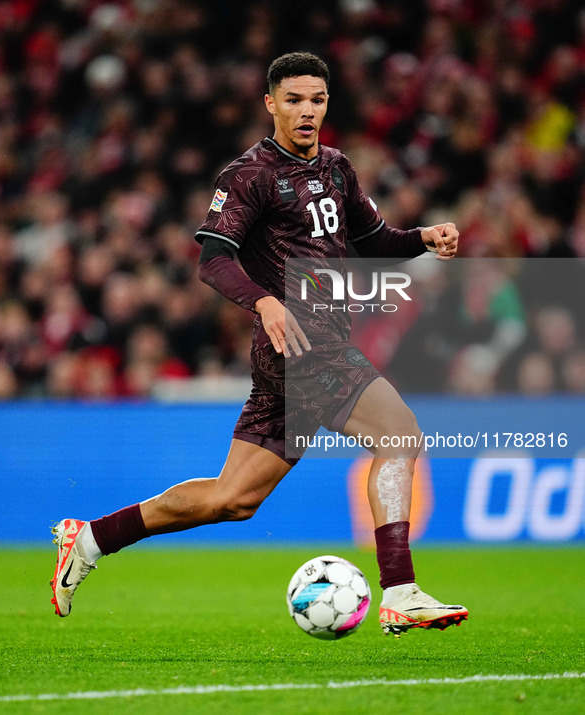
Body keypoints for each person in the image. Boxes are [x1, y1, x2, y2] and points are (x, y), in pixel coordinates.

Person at [50, 52, 467, 637]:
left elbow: (372, 239)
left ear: (327, 104)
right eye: (294, 99)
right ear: (270, 103)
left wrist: (423, 238)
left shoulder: (338, 168)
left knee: (232, 499)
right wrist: (265, 300)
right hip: (301, 346)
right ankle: (400, 590)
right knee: (400, 436)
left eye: (317, 100)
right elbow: (213, 259)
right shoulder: (248, 176)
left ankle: (91, 537)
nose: (306, 111)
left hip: (299, 355)